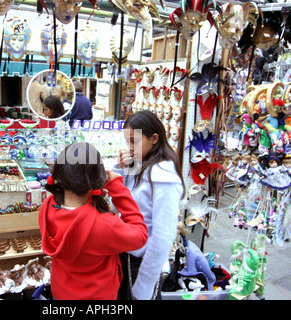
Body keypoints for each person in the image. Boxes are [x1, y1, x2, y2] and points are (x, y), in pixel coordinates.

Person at [39, 142, 148, 300]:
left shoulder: (48, 207)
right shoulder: (104, 225)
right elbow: (140, 235)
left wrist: (93, 195)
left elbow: (76, 214)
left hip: (62, 292)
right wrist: (118, 188)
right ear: (97, 179)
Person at [114, 110, 185, 300]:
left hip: (142, 261)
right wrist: (123, 170)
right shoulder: (141, 165)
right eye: (127, 141)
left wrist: (144, 285)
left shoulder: (163, 177)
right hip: (127, 254)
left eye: (134, 141)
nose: (129, 147)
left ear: (154, 138)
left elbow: (163, 237)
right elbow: (123, 206)